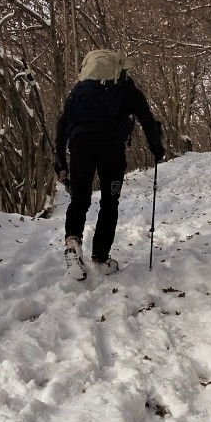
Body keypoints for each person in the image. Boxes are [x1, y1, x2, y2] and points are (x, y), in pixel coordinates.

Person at [54, 50, 165, 278]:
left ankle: (72, 240)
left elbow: (61, 127)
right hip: (111, 149)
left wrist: (60, 163)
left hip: (80, 146)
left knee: (80, 198)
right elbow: (147, 120)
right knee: (109, 202)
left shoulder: (78, 92)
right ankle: (101, 258)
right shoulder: (126, 90)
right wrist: (156, 148)